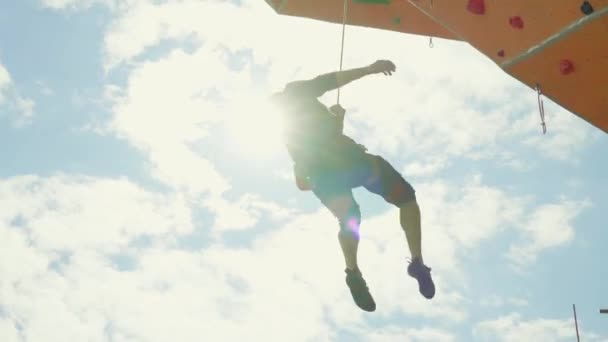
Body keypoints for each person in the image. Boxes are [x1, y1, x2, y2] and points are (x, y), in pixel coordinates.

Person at [271, 60, 435, 312]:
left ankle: (355, 272)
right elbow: (329, 80)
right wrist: (369, 69)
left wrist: (337, 121)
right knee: (404, 200)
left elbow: (314, 159)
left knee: (353, 216)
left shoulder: (289, 131)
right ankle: (413, 263)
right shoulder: (294, 94)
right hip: (345, 166)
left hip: (329, 174)